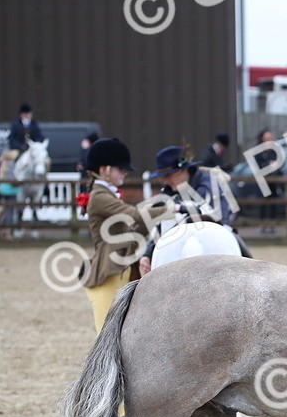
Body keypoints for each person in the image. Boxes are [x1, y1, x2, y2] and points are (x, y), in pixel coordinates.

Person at [80, 137, 170, 332]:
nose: (125, 172)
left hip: (121, 270)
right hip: (108, 274)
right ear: (104, 170)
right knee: (107, 337)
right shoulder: (100, 196)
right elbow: (135, 216)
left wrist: (155, 209)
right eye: (120, 168)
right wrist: (172, 209)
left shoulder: (108, 194)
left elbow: (135, 230)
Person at [138, 144, 251, 274]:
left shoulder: (209, 182)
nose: (165, 180)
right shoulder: (169, 191)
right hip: (176, 231)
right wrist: (147, 253)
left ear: (181, 170)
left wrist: (177, 207)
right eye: (163, 176)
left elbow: (208, 211)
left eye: (168, 175)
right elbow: (159, 223)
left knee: (246, 261)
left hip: (218, 226)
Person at [253, 129, 282, 231]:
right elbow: (256, 166)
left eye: (270, 138)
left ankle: (272, 225)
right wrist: (267, 165)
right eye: (267, 138)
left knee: (273, 204)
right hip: (263, 182)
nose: (269, 140)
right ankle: (263, 225)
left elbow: (280, 166)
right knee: (263, 205)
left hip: (273, 182)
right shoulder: (258, 151)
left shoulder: (275, 151)